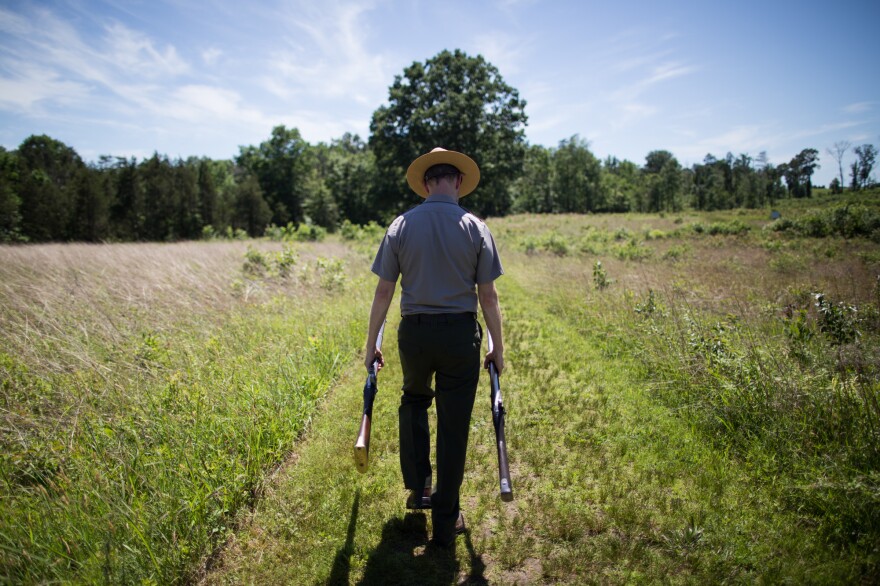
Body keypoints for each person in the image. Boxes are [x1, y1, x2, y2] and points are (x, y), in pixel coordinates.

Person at [364, 147, 505, 548]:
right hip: (460, 335)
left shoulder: (401, 225)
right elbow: (489, 297)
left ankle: (419, 486)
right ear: (457, 181)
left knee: (413, 399)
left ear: (427, 183)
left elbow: (384, 291)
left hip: (415, 333)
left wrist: (371, 343)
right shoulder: (476, 228)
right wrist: (497, 346)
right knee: (454, 421)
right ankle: (446, 518)